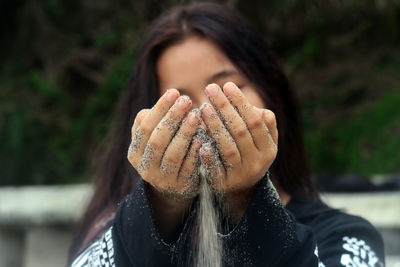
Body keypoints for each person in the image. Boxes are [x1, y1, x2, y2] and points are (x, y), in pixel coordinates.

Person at [68, 2, 385, 267]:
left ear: (271, 91)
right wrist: (164, 199)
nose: (207, 113)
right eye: (180, 102)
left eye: (225, 89)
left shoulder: (343, 237)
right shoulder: (115, 234)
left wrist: (245, 197)